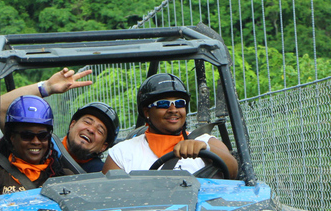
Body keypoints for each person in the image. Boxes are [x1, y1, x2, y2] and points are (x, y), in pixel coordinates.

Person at [102, 73, 238, 177]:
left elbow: (233, 171)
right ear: (147, 112)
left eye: (179, 103)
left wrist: (206, 149)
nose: (173, 110)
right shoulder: (123, 152)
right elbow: (109, 196)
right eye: (163, 104)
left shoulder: (206, 141)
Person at [0, 68, 119, 172]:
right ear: (72, 125)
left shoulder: (101, 173)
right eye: (87, 122)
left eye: (100, 131)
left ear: (104, 147)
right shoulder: (38, 143)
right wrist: (46, 87)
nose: (91, 130)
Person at [0, 96, 72, 198]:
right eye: (27, 135)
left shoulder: (64, 176)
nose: (36, 142)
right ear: (12, 138)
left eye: (42, 136)